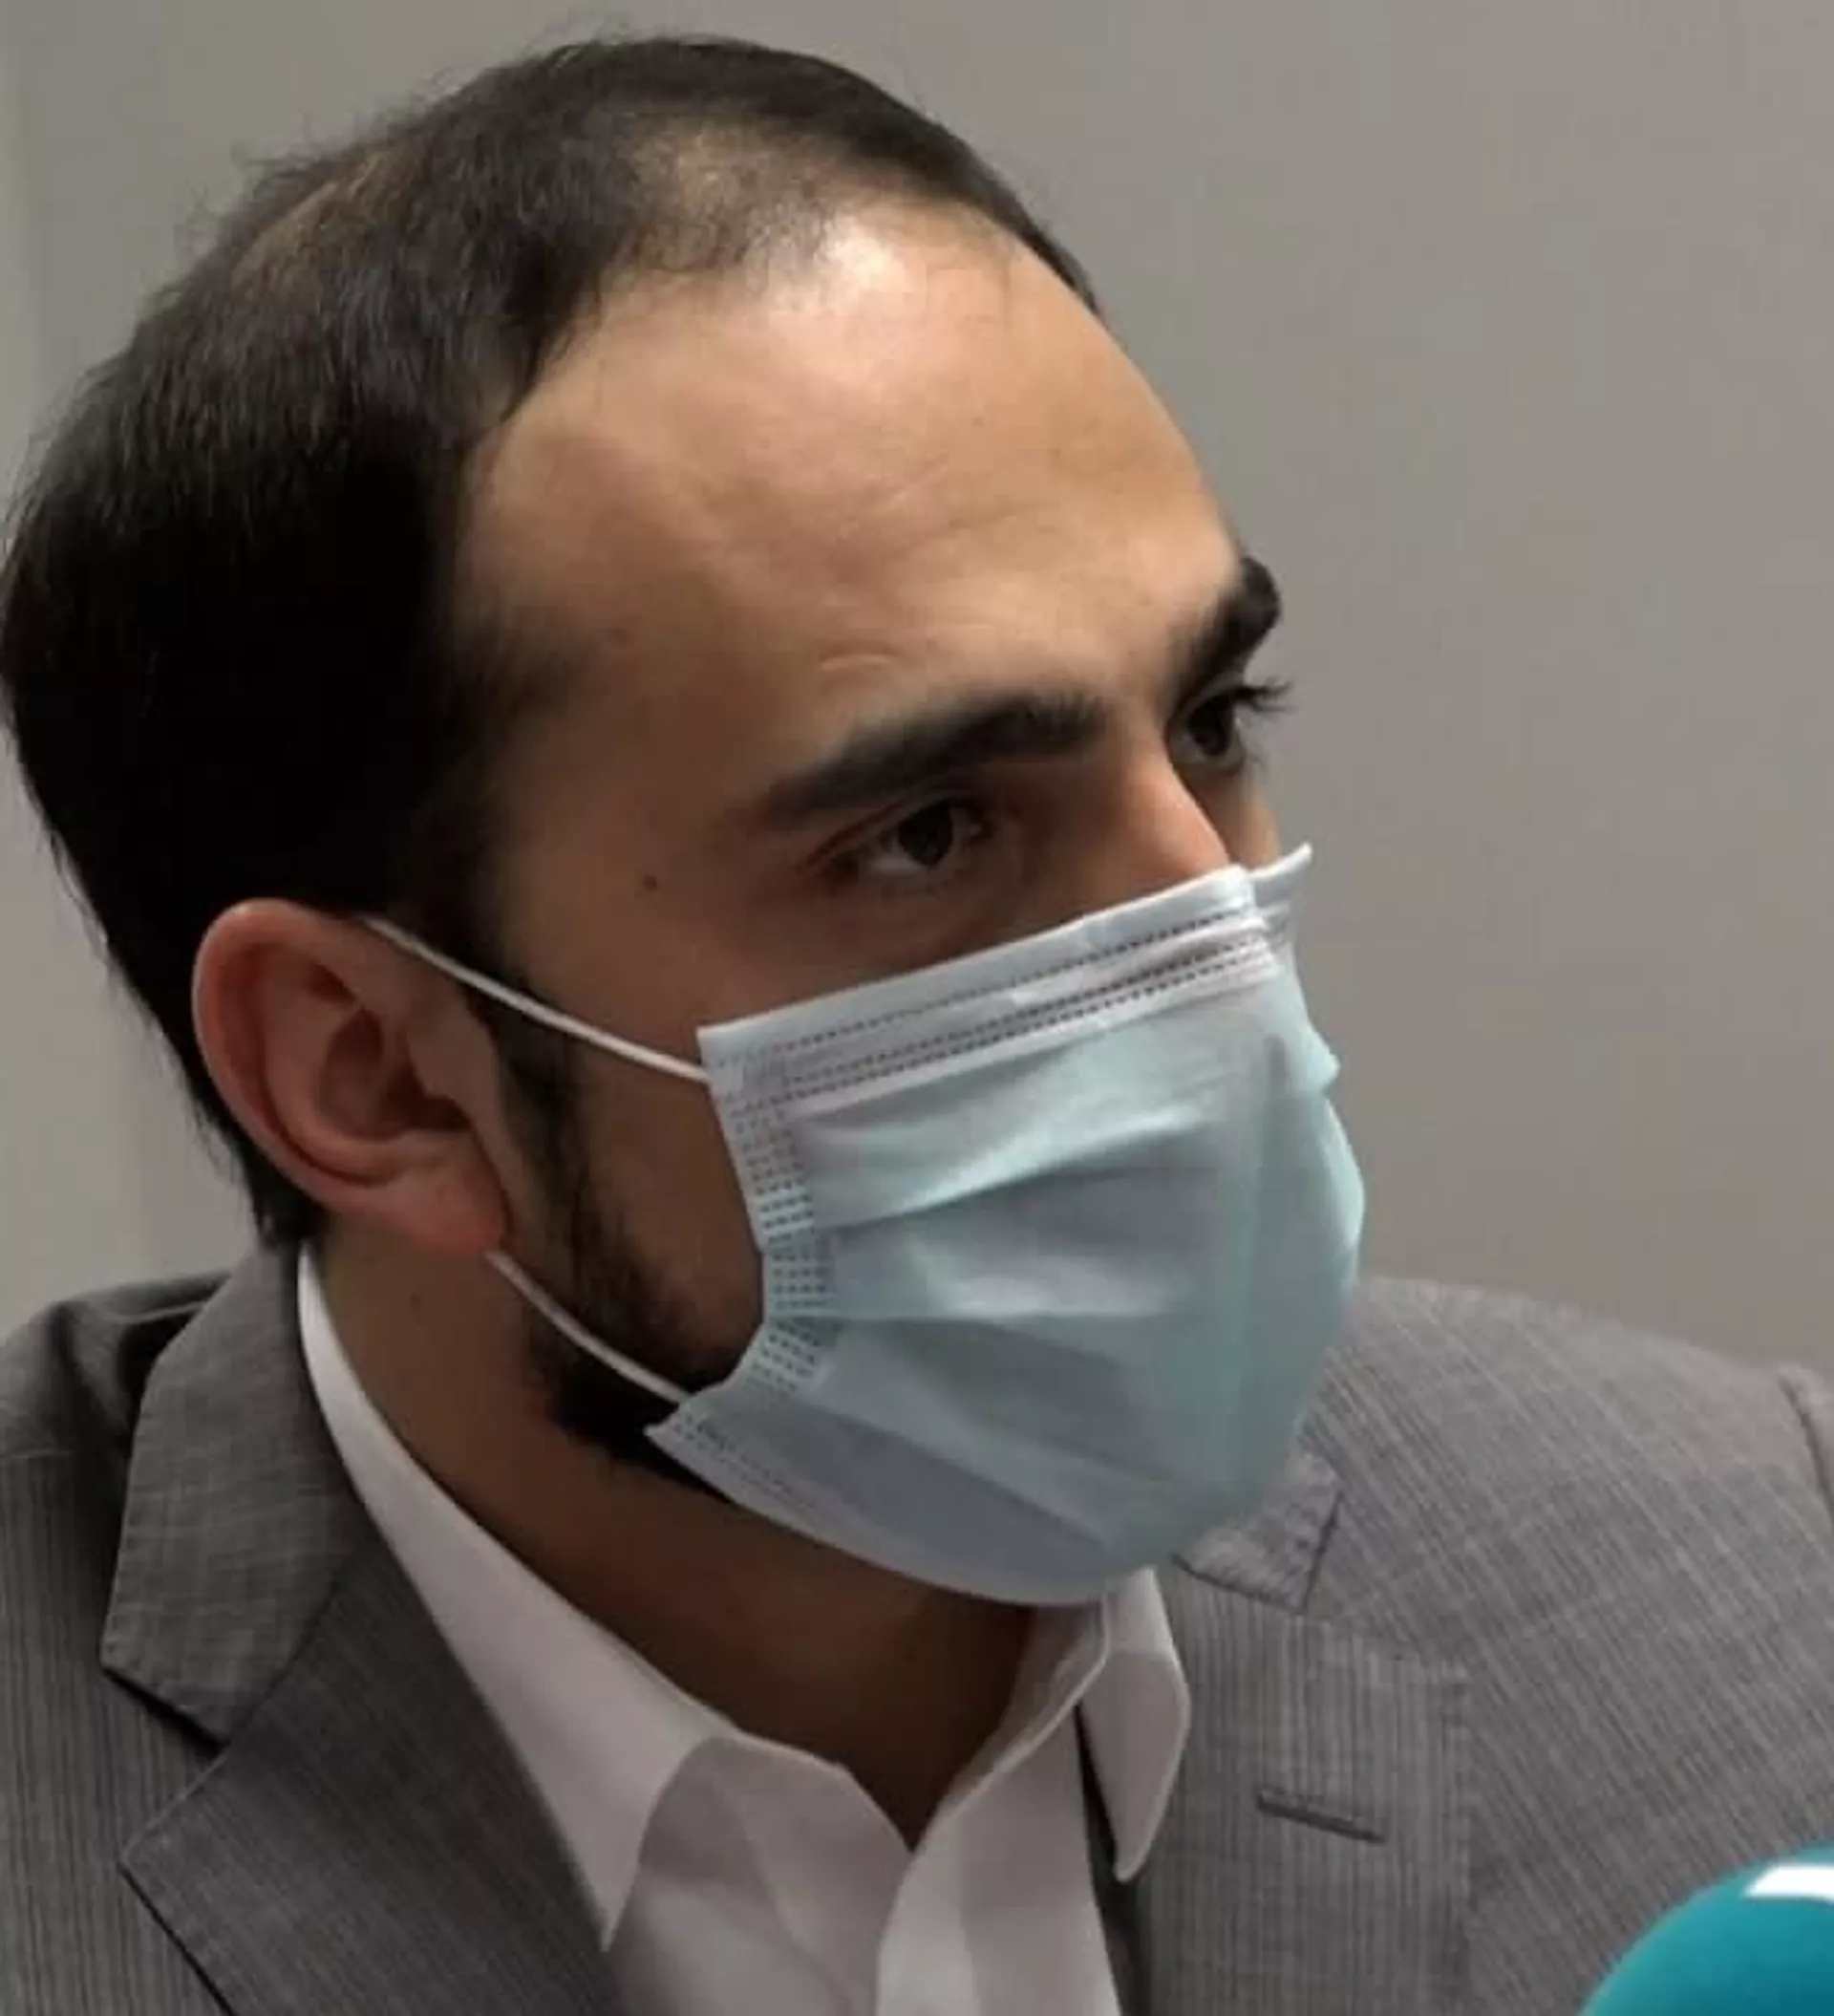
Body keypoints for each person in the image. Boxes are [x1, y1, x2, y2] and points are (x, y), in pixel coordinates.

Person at [3, 33, 1833, 2016]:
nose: (1212, 959)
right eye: (930, 831)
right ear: (375, 1072)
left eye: (1210, 723)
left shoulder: (1756, 1578)